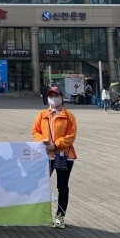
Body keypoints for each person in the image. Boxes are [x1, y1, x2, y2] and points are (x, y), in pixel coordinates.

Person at [31, 86, 77, 229]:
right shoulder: (42, 114)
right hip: (46, 155)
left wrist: (55, 145)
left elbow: (71, 136)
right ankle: (39, 214)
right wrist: (42, 140)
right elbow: (35, 130)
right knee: (40, 184)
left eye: (56, 95)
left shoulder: (68, 115)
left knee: (62, 186)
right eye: (50, 96)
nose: (53, 98)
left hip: (64, 155)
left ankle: (60, 216)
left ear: (62, 97)